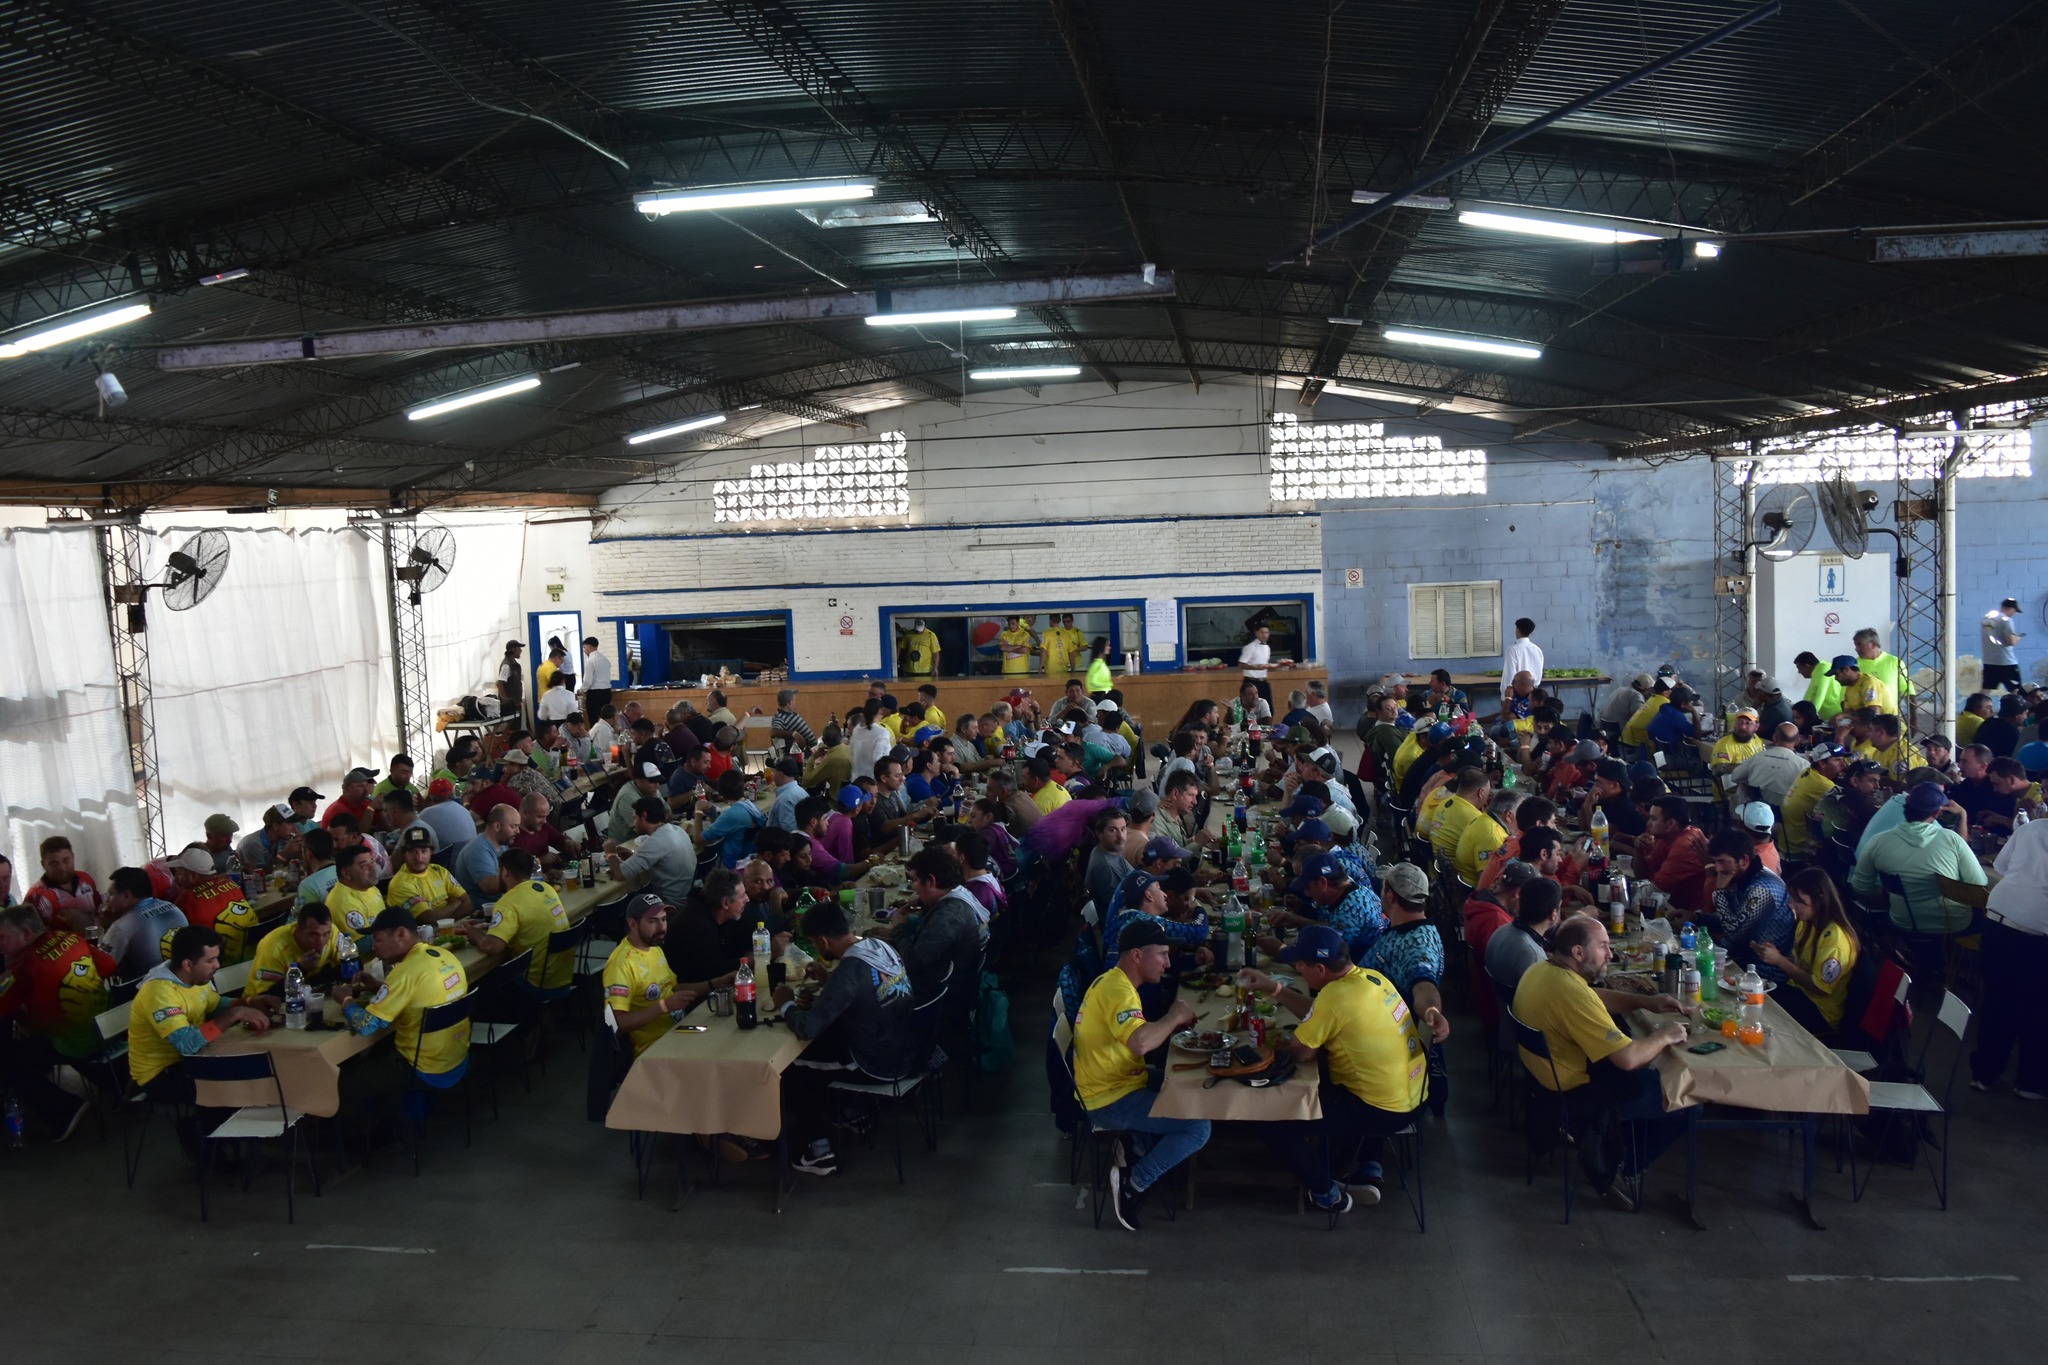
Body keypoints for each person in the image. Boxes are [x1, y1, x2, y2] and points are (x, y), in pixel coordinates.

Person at [1237, 925, 1442, 1213]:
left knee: (1272, 1116)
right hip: (1415, 1098)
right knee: (1330, 1077)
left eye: (1301, 965)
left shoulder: (1335, 997)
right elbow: (1322, 1012)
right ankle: (1363, 1164)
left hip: (1380, 1111)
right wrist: (1273, 988)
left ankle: (1327, 1194)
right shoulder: (1371, 978)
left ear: (1320, 969)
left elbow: (1301, 1053)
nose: (1298, 969)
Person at [1513, 916, 1694, 1208]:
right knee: (1684, 1096)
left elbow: (1591, 996)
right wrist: (1666, 1035)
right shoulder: (1572, 993)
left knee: (1651, 1073)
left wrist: (1646, 1002)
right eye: (1603, 946)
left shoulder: (1542, 970)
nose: (1610, 954)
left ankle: (1610, 1144)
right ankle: (1620, 1166)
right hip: (1575, 1093)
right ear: (1578, 953)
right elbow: (1627, 1059)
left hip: (1543, 1082)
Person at [1072, 919, 1211, 1230]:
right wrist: (1173, 1016)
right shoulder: (1119, 991)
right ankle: (1134, 1185)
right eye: (1162, 954)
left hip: (1117, 1080)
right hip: (1109, 1098)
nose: (1168, 963)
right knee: (1198, 1127)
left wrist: (1171, 1024)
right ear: (1137, 955)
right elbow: (1140, 1043)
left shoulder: (1114, 981)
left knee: (1190, 1083)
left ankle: (1137, 1148)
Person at [770, 901, 920, 1177]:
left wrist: (785, 1004)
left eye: (814, 943)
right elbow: (863, 992)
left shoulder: (850, 969)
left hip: (877, 1063)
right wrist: (829, 979)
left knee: (794, 1064)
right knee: (828, 1041)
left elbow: (807, 1027)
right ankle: (853, 1114)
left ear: (823, 941)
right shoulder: (878, 946)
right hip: (907, 1047)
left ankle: (819, 1153)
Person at [0, 902, 112, 1140]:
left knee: (7, 1061)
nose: (0, 945)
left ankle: (63, 1110)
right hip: (109, 1028)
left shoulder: (25, 964)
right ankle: (118, 1080)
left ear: (26, 934)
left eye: (3, 937)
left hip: (75, 1042)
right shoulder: (71, 937)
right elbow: (109, 966)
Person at [1850, 781, 1986, 974]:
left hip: (1903, 922)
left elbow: (1860, 888)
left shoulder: (1878, 842)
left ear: (1906, 807)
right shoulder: (1952, 839)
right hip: (1954, 923)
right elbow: (1978, 884)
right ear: (1937, 813)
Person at [332, 909, 470, 1096]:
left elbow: (366, 1025)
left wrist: (345, 999)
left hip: (422, 1067)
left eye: (378, 940)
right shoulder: (444, 955)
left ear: (400, 934)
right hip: (456, 1057)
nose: (374, 947)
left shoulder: (404, 972)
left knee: (344, 1082)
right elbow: (417, 992)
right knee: (379, 1051)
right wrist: (379, 987)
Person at [1971, 816, 2048, 1098]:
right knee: (2038, 1009)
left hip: (2000, 919)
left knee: (1997, 1000)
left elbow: (2002, 866)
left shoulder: (2031, 828)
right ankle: (2029, 1082)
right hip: (2037, 930)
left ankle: (1984, 1074)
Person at [1754, 869, 1859, 1039]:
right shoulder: (1806, 924)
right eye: (1792, 899)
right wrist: (1774, 955)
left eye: (1799, 901)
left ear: (1820, 900)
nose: (1792, 906)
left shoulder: (1836, 940)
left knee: (1758, 1003)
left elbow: (1820, 988)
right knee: (1751, 991)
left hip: (1820, 1011)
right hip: (1799, 993)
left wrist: (1780, 961)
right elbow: (1801, 964)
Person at [600, 892, 699, 1059]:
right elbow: (617, 1023)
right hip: (654, 1049)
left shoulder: (654, 947)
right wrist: (664, 1006)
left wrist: (714, 984)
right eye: (653, 921)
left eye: (664, 919)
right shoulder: (620, 965)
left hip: (680, 1031)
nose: (662, 928)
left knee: (718, 1035)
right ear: (633, 924)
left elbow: (673, 989)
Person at [462, 848, 571, 993]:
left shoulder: (507, 902)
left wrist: (473, 933)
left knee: (484, 983)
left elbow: (491, 946)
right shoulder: (545, 888)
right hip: (563, 977)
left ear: (504, 871)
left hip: (535, 983)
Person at [1700, 827, 1795, 978]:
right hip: (1744, 966)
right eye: (1715, 862)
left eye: (1722, 862)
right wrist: (1697, 918)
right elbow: (1732, 919)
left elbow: (1735, 934)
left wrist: (1719, 892)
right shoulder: (1743, 876)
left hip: (1765, 975)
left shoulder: (1763, 888)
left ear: (1744, 860)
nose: (1717, 869)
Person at [1269, 851, 1385, 962]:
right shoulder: (1356, 892)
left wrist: (1282, 950)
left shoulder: (1349, 910)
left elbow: (1327, 955)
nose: (1306, 893)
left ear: (1322, 883)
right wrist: (1302, 910)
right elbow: (1333, 927)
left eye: (1308, 887)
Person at [167, 846, 259, 963]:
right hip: (253, 954)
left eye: (179, 872)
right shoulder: (230, 882)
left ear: (193, 876)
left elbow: (175, 938)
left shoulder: (186, 900)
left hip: (221, 965)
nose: (175, 878)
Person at [98, 865, 188, 980]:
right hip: (187, 978)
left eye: (111, 894)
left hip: (152, 986)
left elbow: (102, 968)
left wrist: (106, 926)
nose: (107, 900)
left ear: (126, 895)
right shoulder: (172, 907)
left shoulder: (122, 926)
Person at [609, 795, 697, 910]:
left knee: (630, 906)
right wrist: (634, 856)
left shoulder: (656, 841)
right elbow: (661, 860)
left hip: (669, 905)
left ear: (644, 816)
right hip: (688, 899)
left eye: (635, 818)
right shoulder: (677, 830)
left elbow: (620, 874)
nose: (634, 824)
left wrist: (610, 853)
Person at [246, 901, 341, 998]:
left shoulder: (331, 931)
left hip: (308, 996)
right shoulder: (273, 947)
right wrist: (301, 969)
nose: (321, 942)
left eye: (326, 934)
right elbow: (267, 997)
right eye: (313, 935)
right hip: (256, 1003)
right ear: (299, 931)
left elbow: (348, 965)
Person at [1635, 796, 1712, 914]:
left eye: (1653, 819)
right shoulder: (1666, 836)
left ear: (1670, 823)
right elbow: (1644, 875)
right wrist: (1638, 850)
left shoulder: (1684, 846)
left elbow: (1654, 890)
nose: (1648, 824)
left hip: (1693, 914)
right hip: (1674, 904)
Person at [386, 827, 471, 922]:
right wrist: (455, 904)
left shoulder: (439, 870)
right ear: (404, 854)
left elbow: (468, 903)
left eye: (423, 851)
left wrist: (446, 920)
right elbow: (429, 918)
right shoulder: (400, 884)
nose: (419, 857)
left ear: (431, 852)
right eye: (413, 852)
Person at [23, 835, 102, 933]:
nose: (62, 868)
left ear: (73, 857)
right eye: (54, 863)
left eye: (65, 860)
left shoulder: (85, 878)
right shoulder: (37, 896)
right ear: (43, 864)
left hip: (96, 939)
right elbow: (31, 935)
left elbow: (99, 911)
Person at [1730, 723, 1810, 810]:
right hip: (1786, 813)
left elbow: (1735, 777)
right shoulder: (1804, 765)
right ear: (1797, 741)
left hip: (1756, 811)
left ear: (1774, 738)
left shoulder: (1757, 757)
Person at [456, 803, 520, 907]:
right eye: (513, 826)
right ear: (497, 826)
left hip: (501, 904)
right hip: (482, 909)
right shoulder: (478, 849)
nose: (518, 831)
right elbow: (489, 886)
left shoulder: (502, 844)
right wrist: (522, 879)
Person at [326, 843, 387, 942]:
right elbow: (364, 944)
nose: (373, 867)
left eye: (372, 861)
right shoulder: (343, 902)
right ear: (346, 873)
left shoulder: (370, 888)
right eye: (364, 865)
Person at [1084, 808, 1133, 915]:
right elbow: (1117, 909)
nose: (1121, 836)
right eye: (1113, 830)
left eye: (1123, 829)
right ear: (1099, 834)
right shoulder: (1105, 867)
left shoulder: (1107, 849)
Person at [1710, 707, 1763, 775]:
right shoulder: (1724, 744)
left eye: (1748, 723)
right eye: (1740, 722)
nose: (1743, 727)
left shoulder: (1756, 740)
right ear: (1734, 723)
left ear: (1756, 727)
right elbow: (1718, 770)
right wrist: (1749, 768)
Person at [1794, 650, 1844, 723]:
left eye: (1799, 668)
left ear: (1807, 666)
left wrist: (1809, 716)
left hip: (1836, 716)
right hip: (1826, 718)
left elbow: (1820, 694)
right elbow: (1808, 695)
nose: (1799, 672)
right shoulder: (1816, 672)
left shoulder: (1823, 669)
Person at [1502, 616, 1544, 699]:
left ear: (1518, 629)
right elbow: (1539, 673)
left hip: (1515, 693)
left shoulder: (1512, 650)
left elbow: (1510, 675)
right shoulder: (1537, 650)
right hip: (1532, 692)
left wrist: (1506, 697)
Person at [1238, 622, 1274, 704]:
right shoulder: (1250, 647)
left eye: (1266, 632)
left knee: (1268, 708)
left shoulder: (1267, 647)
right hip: (1251, 682)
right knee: (1249, 707)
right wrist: (1256, 667)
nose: (1264, 635)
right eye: (1262, 632)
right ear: (1256, 633)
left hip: (1263, 681)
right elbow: (1241, 664)